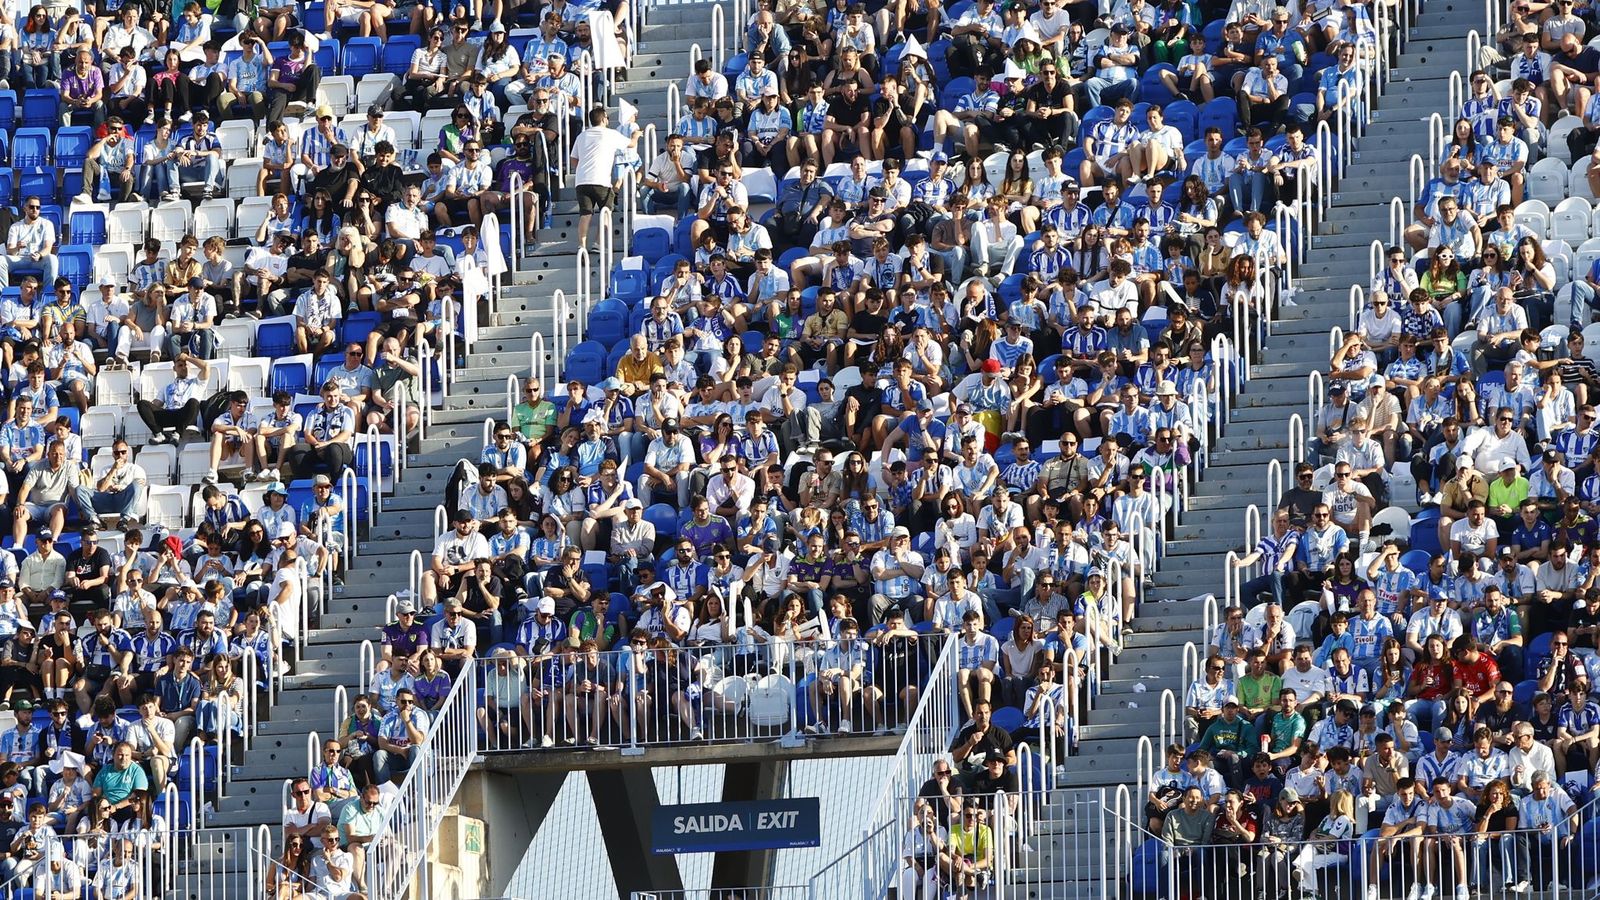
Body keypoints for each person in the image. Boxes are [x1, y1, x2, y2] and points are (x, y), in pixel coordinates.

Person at [567, 108, 630, 251]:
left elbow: (573, 159)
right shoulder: (611, 134)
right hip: (601, 181)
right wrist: (636, 135)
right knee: (606, 212)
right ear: (603, 119)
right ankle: (598, 243)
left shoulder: (582, 136)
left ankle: (582, 245)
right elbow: (631, 144)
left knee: (585, 214)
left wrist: (582, 170)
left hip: (582, 181)